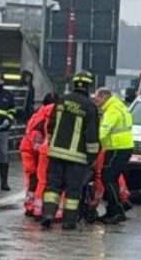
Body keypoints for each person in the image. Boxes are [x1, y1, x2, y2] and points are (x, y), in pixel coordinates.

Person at [41, 70, 100, 230]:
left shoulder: (61, 101)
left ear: (74, 84)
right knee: (73, 191)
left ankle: (48, 215)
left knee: (53, 187)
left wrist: (53, 144)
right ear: (89, 86)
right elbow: (92, 135)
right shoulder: (90, 107)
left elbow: (51, 125)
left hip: (56, 154)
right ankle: (68, 222)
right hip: (77, 158)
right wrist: (92, 157)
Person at [95, 87, 134, 225]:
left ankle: (116, 211)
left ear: (104, 97)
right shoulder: (118, 106)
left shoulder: (112, 110)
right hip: (122, 147)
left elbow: (103, 131)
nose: (96, 101)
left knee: (108, 178)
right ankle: (113, 211)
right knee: (112, 178)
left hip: (117, 147)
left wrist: (90, 141)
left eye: (97, 98)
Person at [20, 92, 56, 217]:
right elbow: (36, 141)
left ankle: (32, 206)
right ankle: (31, 207)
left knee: (34, 180)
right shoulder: (43, 116)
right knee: (34, 180)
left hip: (29, 150)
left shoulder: (38, 114)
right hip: (31, 152)